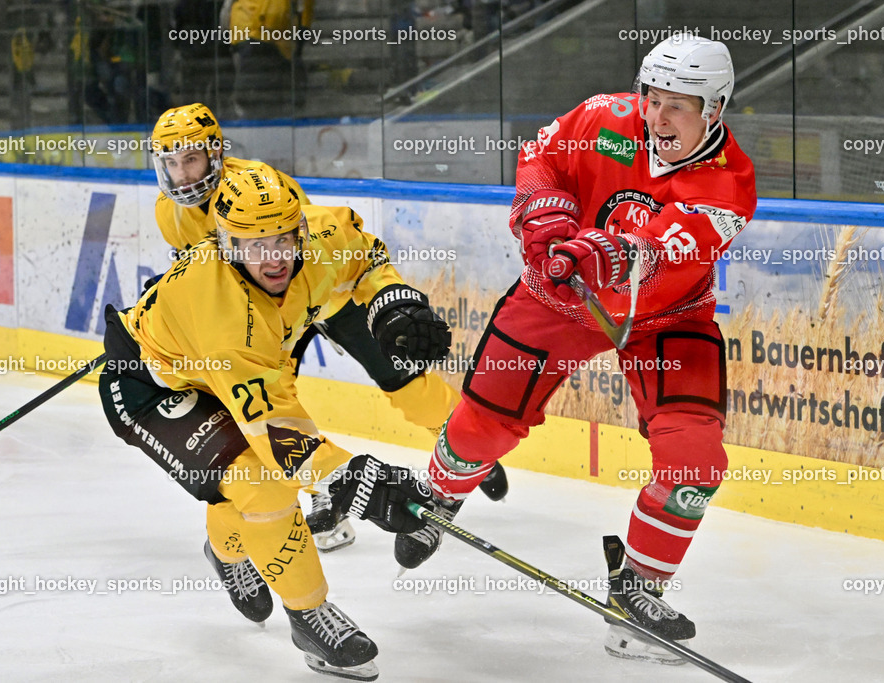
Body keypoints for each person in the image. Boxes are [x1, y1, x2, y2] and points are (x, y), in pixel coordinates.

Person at [388, 35, 757, 664]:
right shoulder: (603, 119)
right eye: (653, 99)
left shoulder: (729, 181)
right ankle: (443, 492)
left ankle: (638, 593)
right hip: (557, 301)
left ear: (715, 109)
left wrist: (601, 250)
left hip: (663, 316)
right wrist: (543, 214)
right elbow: (539, 156)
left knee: (694, 460)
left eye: (678, 107)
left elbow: (665, 247)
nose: (657, 117)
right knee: (482, 428)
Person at [98, 164, 459, 679]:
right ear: (226, 245)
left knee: (249, 489)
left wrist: (389, 301)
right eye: (253, 244)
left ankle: (224, 550)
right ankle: (308, 616)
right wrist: (355, 478)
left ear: (300, 230)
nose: (273, 258)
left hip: (211, 371)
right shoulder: (225, 318)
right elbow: (281, 438)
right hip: (151, 387)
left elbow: (366, 256)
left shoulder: (319, 237)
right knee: (260, 484)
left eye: (282, 240)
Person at [147, 103, 508, 570]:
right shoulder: (168, 212)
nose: (182, 174)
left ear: (215, 154)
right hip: (261, 316)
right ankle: (325, 493)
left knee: (402, 378)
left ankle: (462, 440)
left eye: (191, 159)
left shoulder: (258, 181)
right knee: (273, 408)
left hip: (318, 296)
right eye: (171, 162)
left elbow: (308, 250)